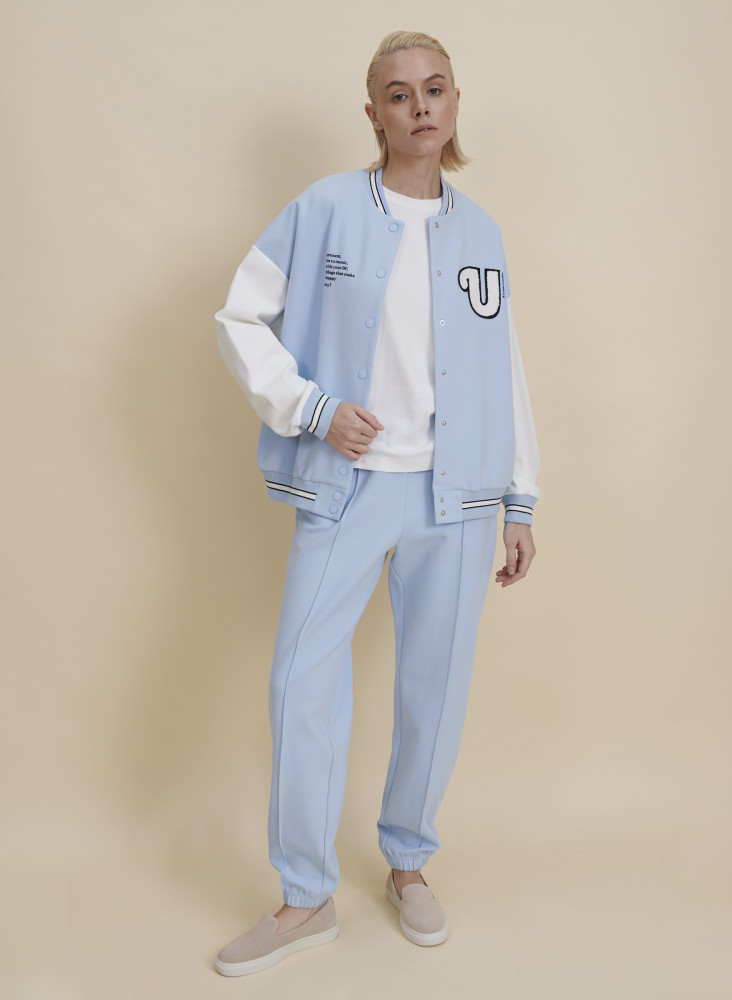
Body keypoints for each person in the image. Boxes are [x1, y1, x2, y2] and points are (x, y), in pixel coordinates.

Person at [212, 29, 540, 976]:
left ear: (455, 101)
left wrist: (521, 497)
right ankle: (305, 896)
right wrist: (312, 408)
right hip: (348, 486)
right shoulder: (321, 210)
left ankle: (408, 862)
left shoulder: (482, 234)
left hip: (458, 495)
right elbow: (239, 317)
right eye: (399, 94)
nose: (420, 106)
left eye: (435, 88)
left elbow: (504, 366)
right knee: (301, 680)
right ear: (374, 114)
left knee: (435, 686)